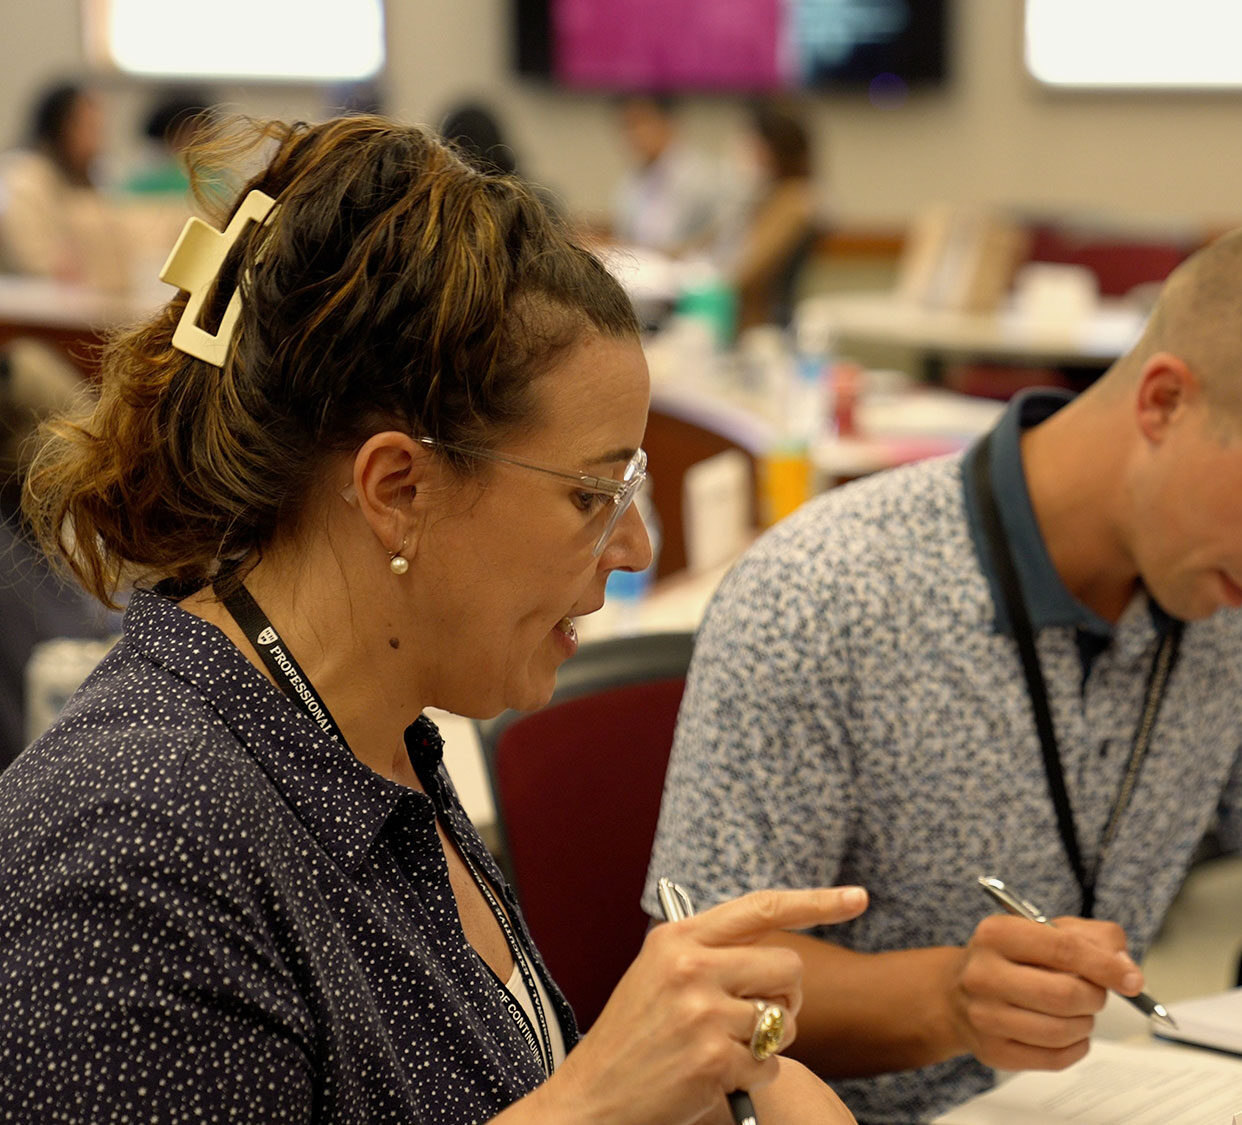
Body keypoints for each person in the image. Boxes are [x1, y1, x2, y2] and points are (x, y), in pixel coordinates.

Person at [0, 113, 865, 1124]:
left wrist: (728, 1076)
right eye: (594, 494)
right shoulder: (132, 844)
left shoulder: (367, 737)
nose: (632, 549)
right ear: (399, 487)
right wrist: (593, 1102)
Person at [644, 228, 1242, 1122]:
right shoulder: (826, 592)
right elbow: (703, 977)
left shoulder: (1214, 598)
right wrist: (950, 998)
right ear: (1162, 403)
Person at [0, 81, 129, 291]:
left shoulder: (83, 176)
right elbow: (38, 262)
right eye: (89, 128)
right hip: (29, 306)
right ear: (60, 127)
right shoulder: (24, 176)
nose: (97, 142)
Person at [714, 101, 819, 334]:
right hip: (740, 321)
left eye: (752, 142)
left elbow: (745, 276)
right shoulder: (762, 196)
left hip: (763, 330)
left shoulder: (795, 201)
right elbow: (705, 242)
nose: (743, 150)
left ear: (775, 147)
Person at [612, 94, 721, 257]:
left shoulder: (706, 179)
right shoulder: (630, 184)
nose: (633, 135)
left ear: (667, 122)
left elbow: (712, 244)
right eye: (627, 126)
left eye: (640, 123)